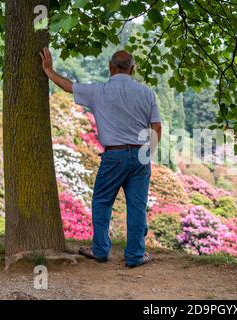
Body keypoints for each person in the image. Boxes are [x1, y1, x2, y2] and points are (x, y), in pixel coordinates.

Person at [40, 47, 162, 268]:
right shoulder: (147, 93)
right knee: (137, 206)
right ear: (132, 69)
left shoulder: (99, 91)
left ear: (110, 67)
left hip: (114, 156)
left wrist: (48, 70)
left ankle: (100, 250)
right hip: (141, 154)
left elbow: (68, 86)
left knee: (102, 202)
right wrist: (147, 154)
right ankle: (135, 255)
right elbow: (157, 127)